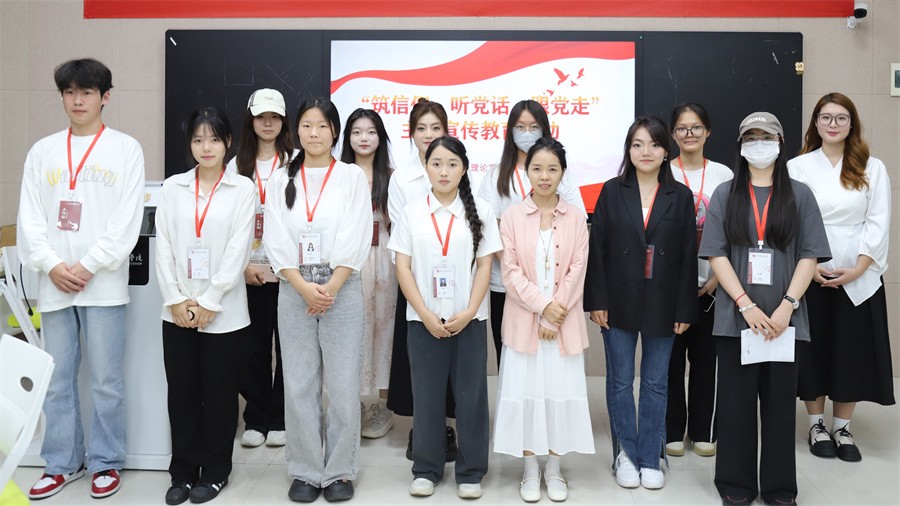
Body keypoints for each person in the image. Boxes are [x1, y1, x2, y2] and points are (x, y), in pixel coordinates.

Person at [18, 58, 144, 501]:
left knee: (106, 381)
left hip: (103, 284)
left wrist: (89, 264)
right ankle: (62, 463)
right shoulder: (43, 151)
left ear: (105, 97)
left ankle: (106, 462)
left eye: (87, 92)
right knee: (56, 380)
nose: (77, 100)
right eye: (69, 92)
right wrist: (52, 265)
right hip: (54, 284)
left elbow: (127, 219)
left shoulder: (125, 149)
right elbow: (30, 218)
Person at [701, 112, 830, 505]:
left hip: (785, 322)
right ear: (741, 145)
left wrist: (788, 306)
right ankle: (736, 486)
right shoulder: (725, 194)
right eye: (751, 137)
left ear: (780, 143)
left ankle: (779, 489)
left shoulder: (800, 195)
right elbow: (717, 255)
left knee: (779, 410)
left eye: (767, 136)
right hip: (736, 320)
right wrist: (745, 305)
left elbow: (809, 255)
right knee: (736, 408)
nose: (759, 143)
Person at [264, 98, 372, 503]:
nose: (314, 133)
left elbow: (357, 232)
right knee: (298, 383)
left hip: (341, 285)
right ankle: (306, 470)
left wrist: (330, 286)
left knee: (343, 384)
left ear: (334, 131)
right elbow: (275, 236)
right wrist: (303, 286)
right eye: (307, 125)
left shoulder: (350, 177)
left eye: (322, 126)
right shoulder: (281, 178)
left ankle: (340, 470)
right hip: (294, 287)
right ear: (297, 130)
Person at [584, 115, 697, 491]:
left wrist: (685, 307)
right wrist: (597, 300)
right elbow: (597, 249)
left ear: (666, 151)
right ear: (628, 150)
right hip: (617, 300)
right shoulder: (611, 190)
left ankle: (651, 455)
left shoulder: (680, 196)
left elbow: (687, 255)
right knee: (619, 382)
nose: (645, 151)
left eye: (654, 144)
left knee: (655, 383)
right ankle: (626, 455)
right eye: (637, 144)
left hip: (664, 301)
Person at [388, 136, 501, 500]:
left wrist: (469, 312)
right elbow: (402, 267)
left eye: (452, 164)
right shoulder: (412, 212)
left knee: (471, 398)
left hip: (469, 321)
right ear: (426, 167)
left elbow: (485, 266)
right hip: (423, 322)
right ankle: (426, 469)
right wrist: (424, 312)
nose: (444, 171)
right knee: (426, 397)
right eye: (436, 163)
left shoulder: (481, 210)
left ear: (464, 168)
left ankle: (471, 471)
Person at [155, 106, 255, 505]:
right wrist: (177, 299)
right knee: (181, 395)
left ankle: (214, 472)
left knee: (218, 396)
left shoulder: (242, 189)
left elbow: (238, 250)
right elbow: (163, 247)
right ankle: (182, 472)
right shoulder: (173, 187)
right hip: (176, 311)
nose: (206, 147)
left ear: (228, 142)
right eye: (198, 139)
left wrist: (210, 300)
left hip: (224, 313)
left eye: (214, 139)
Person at [789, 93, 894, 462]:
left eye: (841, 118)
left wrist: (860, 268)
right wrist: (809, 265)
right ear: (816, 123)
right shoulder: (797, 166)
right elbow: (790, 220)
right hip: (810, 271)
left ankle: (842, 427)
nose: (833, 124)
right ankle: (816, 424)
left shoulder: (872, 167)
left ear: (852, 124)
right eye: (826, 117)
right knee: (814, 350)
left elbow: (879, 220)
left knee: (851, 351)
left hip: (857, 274)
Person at [493, 138, 594, 503]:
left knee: (558, 395)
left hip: (562, 325)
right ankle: (530, 469)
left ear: (563, 173)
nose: (545, 176)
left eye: (552, 169)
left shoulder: (576, 217)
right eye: (537, 168)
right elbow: (510, 272)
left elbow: (578, 269)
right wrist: (542, 307)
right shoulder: (511, 217)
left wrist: (554, 314)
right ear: (527, 172)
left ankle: (553, 468)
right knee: (526, 396)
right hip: (524, 324)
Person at [478, 99, 585, 368]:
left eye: (534, 127)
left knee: (552, 359)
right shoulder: (495, 175)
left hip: (555, 286)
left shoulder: (563, 175)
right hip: (508, 283)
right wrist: (515, 267)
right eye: (520, 127)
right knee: (512, 357)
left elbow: (577, 220)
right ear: (509, 131)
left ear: (545, 129)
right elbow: (487, 228)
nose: (527, 133)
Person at [386, 99, 458, 460]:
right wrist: (414, 283)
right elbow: (399, 234)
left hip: (455, 283)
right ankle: (422, 428)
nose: (428, 135)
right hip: (414, 283)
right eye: (421, 128)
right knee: (418, 359)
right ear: (411, 133)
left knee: (451, 359)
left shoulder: (458, 169)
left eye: (436, 127)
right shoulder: (402, 178)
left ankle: (445, 426)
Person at [665, 103, 734, 458]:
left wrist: (719, 279)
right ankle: (672, 431)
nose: (689, 134)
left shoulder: (723, 175)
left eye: (696, 127)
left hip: (713, 284)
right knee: (669, 362)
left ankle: (705, 430)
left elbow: (735, 231)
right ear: (672, 134)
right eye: (682, 128)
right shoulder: (663, 172)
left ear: (707, 132)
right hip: (669, 287)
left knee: (708, 361)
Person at [227, 88, 295, 449]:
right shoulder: (235, 165)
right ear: (250, 120)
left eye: (274, 117)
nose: (267, 123)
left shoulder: (297, 161)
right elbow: (225, 223)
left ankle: (281, 417)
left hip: (289, 273)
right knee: (251, 349)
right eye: (261, 117)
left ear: (283, 121)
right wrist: (241, 266)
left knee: (289, 347)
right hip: (250, 272)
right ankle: (256, 416)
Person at [339, 108, 398, 439]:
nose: (364, 138)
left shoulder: (392, 175)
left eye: (371, 131)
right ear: (347, 137)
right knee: (353, 328)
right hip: (349, 259)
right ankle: (354, 403)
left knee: (384, 328)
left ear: (381, 137)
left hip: (385, 258)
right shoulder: (338, 174)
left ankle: (384, 406)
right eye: (357, 131)